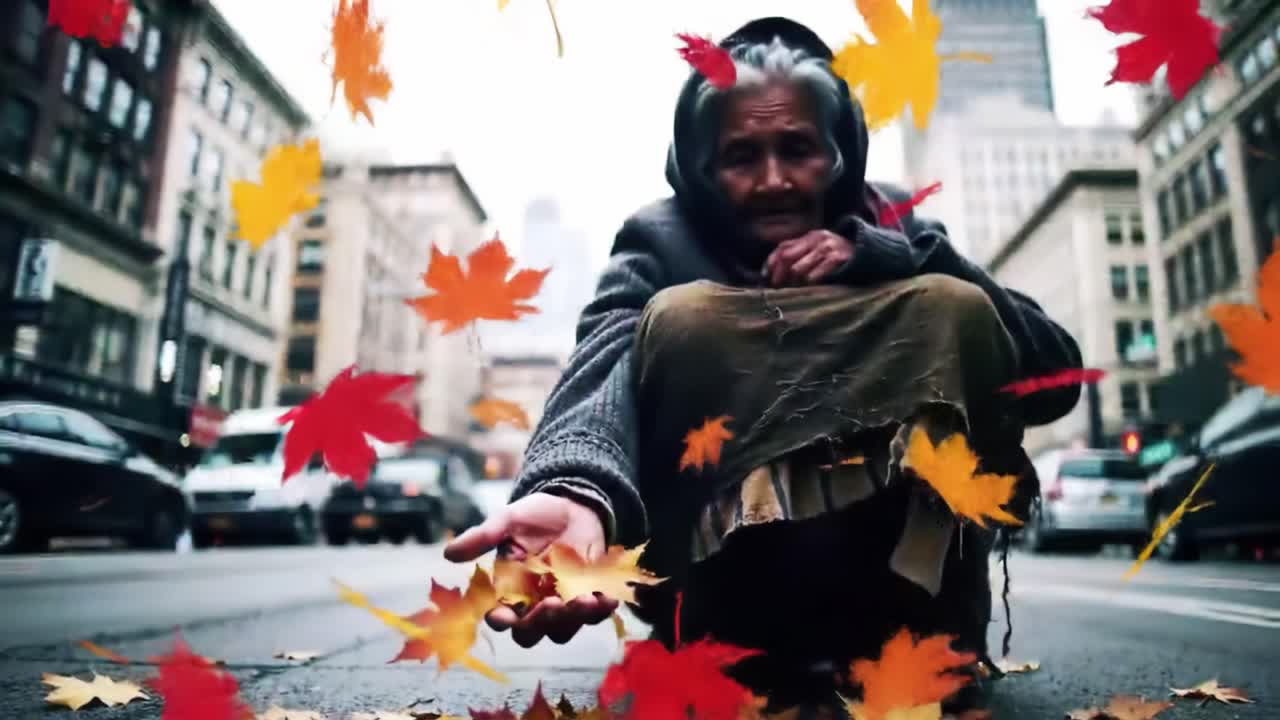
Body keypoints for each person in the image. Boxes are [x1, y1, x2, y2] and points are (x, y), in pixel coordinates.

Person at [445, 16, 1082, 715]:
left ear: (839, 154)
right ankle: (736, 635)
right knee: (685, 317)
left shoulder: (901, 229)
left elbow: (1051, 373)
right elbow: (603, 362)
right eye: (742, 156)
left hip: (911, 610)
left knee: (950, 304)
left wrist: (886, 259)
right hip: (726, 615)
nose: (774, 180)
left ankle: (918, 629)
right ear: (701, 167)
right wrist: (574, 488)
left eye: (798, 149)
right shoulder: (660, 239)